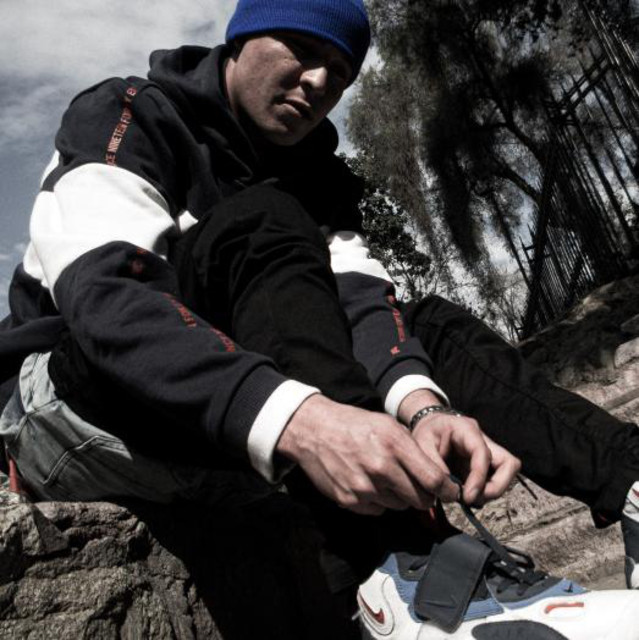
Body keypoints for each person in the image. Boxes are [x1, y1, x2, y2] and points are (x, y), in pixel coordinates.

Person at [0, 0, 639, 637]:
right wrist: (307, 421)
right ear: (241, 39)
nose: (317, 82)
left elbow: (363, 303)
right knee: (261, 222)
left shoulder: (320, 175)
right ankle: (404, 575)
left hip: (218, 426)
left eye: (339, 72)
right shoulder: (131, 114)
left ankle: (631, 484)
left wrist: (423, 410)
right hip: (72, 408)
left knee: (425, 324)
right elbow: (108, 297)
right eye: (303, 51)